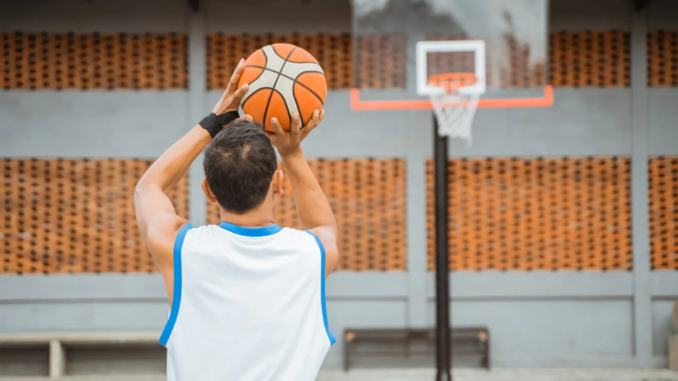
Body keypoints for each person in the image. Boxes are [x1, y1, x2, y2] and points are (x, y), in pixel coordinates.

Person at [134, 59, 338, 381]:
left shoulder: (180, 248)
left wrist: (213, 121)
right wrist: (293, 151)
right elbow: (325, 227)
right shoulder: (311, 254)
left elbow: (149, 186)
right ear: (279, 184)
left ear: (208, 191)